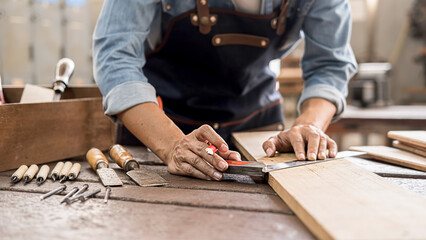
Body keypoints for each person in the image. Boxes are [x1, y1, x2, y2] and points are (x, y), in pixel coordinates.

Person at [93, 0, 357, 181]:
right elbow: (116, 57)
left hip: (257, 127)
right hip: (159, 125)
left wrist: (308, 126)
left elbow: (330, 65)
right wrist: (171, 144)